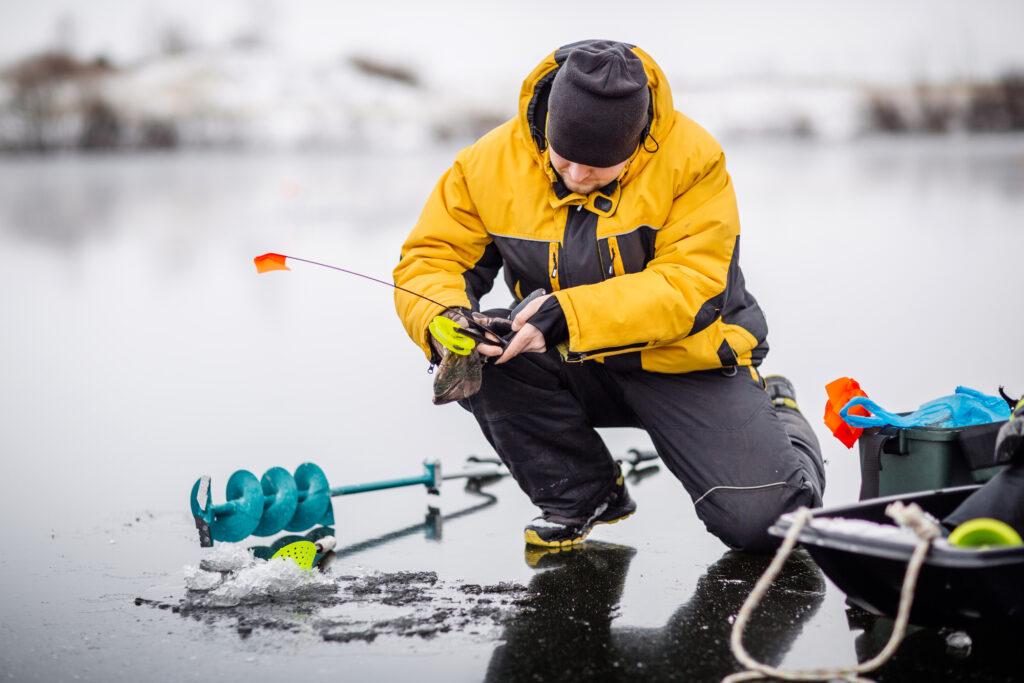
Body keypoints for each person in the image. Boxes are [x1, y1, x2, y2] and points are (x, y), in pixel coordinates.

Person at [393, 39, 825, 552]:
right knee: (482, 351)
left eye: (598, 166)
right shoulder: (486, 165)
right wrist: (442, 316)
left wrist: (568, 314)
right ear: (547, 126)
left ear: (637, 144)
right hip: (565, 360)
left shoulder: (694, 162)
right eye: (565, 158)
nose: (576, 176)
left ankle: (777, 406)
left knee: (770, 529)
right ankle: (582, 494)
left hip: (685, 363)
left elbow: (690, 288)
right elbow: (431, 259)